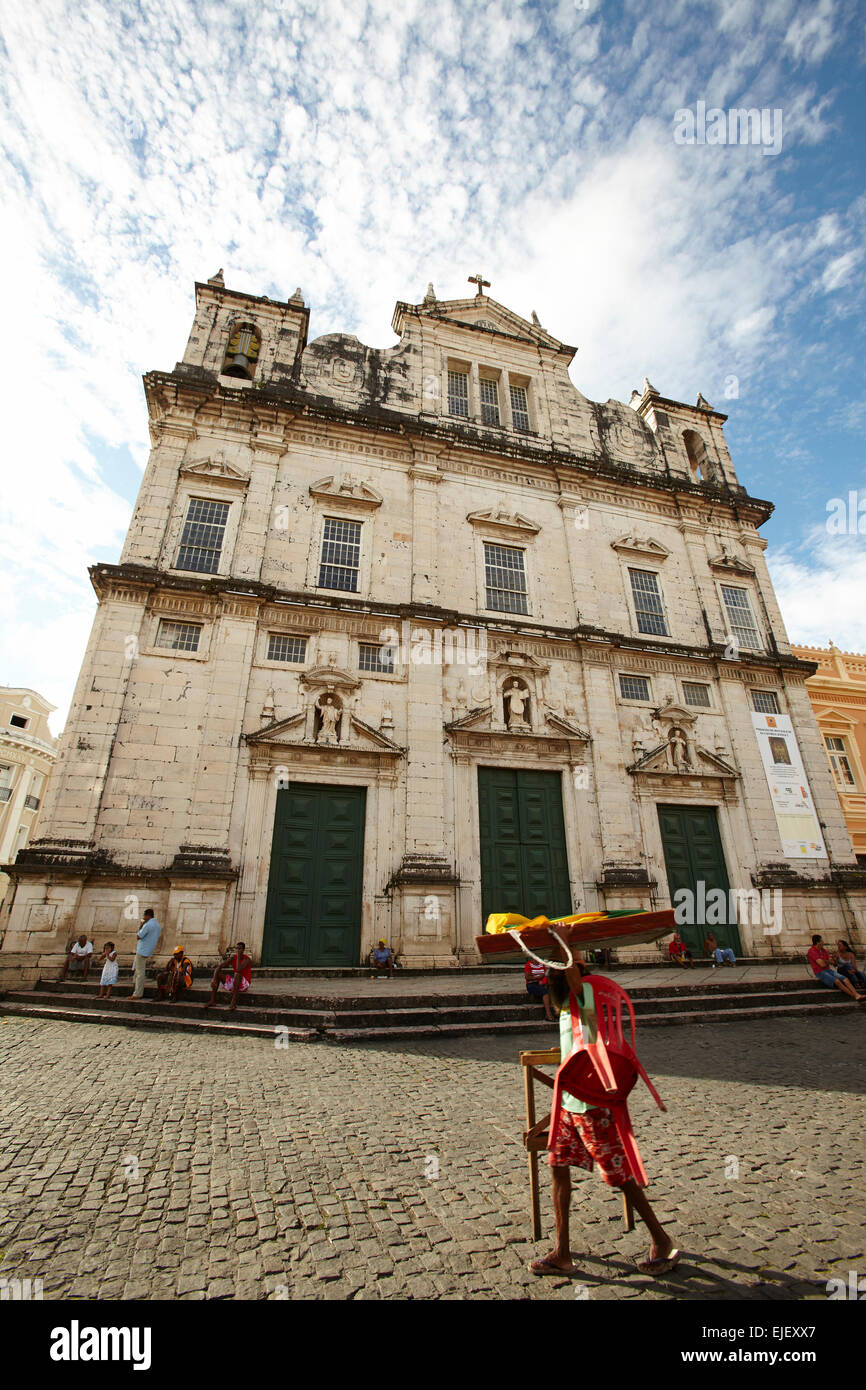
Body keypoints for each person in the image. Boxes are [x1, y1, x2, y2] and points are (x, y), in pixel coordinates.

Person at [530, 951, 679, 1278]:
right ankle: (562, 1253)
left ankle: (662, 1239)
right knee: (558, 1168)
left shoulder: (587, 999)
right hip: (569, 1104)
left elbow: (573, 983)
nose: (552, 980)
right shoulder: (567, 1009)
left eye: (557, 975)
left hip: (592, 1105)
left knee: (619, 1176)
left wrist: (566, 948)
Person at [807, 935, 865, 1002]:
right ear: (818, 942)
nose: (823, 942)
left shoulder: (823, 950)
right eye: (822, 941)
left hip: (828, 970)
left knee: (845, 979)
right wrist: (828, 961)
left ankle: (856, 994)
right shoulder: (812, 951)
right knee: (837, 981)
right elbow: (822, 964)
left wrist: (826, 961)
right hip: (820, 972)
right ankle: (855, 996)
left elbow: (832, 962)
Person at [203, 942, 252, 1011]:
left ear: (243, 950)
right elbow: (220, 966)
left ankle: (233, 1003)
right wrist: (214, 979)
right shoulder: (233, 958)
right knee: (218, 974)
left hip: (244, 984)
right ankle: (212, 1001)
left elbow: (238, 969)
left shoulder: (247, 959)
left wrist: (238, 957)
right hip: (236, 982)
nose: (238, 950)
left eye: (240, 949)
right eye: (237, 948)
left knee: (237, 974)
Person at [130, 908, 162, 1001]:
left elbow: (138, 936)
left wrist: (141, 925)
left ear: (148, 916)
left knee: (140, 973)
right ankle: (135, 990)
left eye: (144, 916)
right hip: (148, 950)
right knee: (138, 971)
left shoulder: (147, 925)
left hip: (142, 950)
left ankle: (137, 993)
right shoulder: (157, 925)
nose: (144, 918)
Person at [524, 957, 554, 1021]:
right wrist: (538, 978)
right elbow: (527, 977)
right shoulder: (528, 965)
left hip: (541, 983)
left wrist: (542, 980)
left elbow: (545, 975)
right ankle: (548, 1014)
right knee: (544, 992)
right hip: (532, 984)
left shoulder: (542, 965)